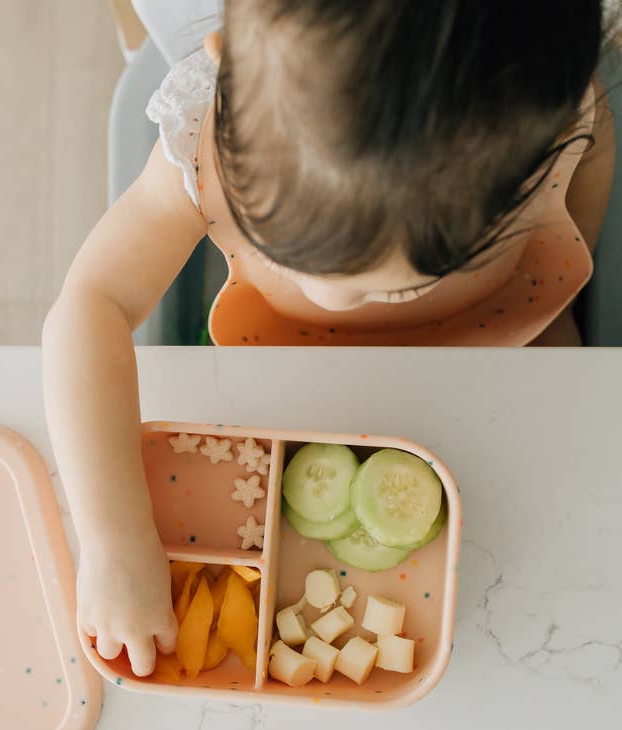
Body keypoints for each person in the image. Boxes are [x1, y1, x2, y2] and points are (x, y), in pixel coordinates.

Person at [42, 1, 617, 676]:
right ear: (231, 83)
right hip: (276, 379)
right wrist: (114, 542)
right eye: (310, 265)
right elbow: (91, 304)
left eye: (403, 284)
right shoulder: (208, 145)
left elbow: (566, 266)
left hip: (502, 368)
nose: (338, 300)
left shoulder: (563, 125)